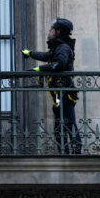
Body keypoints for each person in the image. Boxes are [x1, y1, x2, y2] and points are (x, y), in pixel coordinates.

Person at [22, 18, 82, 154]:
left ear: (58, 32)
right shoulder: (58, 47)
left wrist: (38, 70)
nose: (49, 32)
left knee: (68, 122)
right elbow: (47, 56)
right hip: (58, 94)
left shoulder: (63, 48)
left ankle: (76, 150)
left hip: (64, 93)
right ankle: (64, 152)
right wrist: (30, 53)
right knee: (60, 125)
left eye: (51, 30)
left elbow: (58, 64)